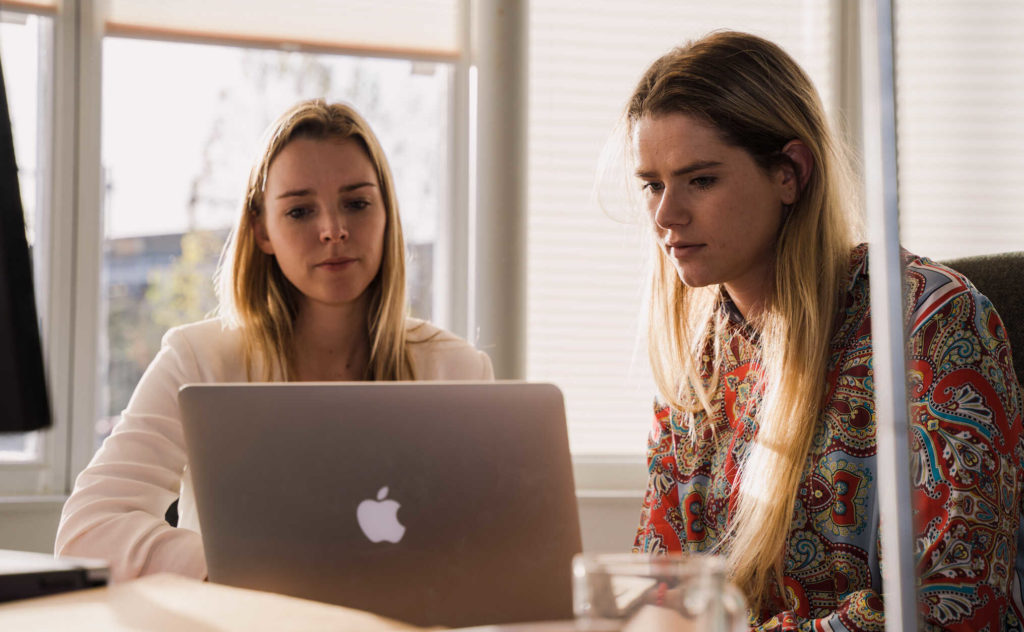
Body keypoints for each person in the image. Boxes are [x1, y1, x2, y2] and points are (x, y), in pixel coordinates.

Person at [627, 32, 1023, 630]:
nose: (665, 215)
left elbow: (944, 608)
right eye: (653, 184)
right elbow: (661, 586)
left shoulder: (929, 326)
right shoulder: (700, 357)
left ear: (790, 172)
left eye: (700, 180)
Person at [55, 99, 494, 582]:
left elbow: (499, 547)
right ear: (262, 229)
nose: (334, 230)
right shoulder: (197, 361)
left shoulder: (457, 370)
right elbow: (86, 530)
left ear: (387, 213)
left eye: (357, 202)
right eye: (301, 211)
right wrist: (241, 569)